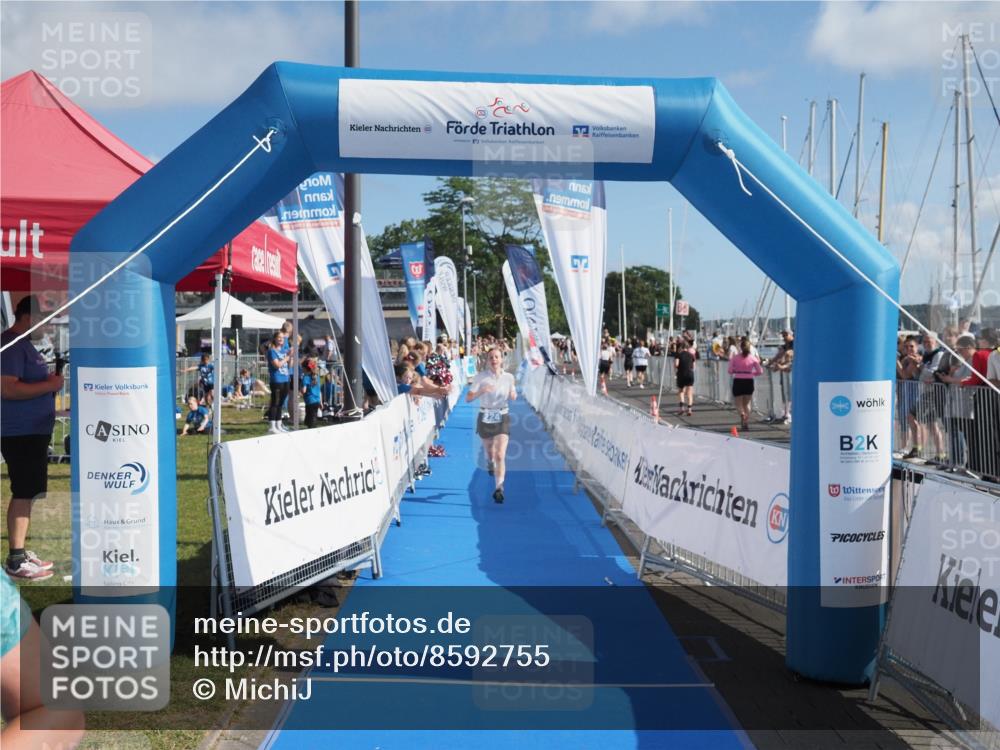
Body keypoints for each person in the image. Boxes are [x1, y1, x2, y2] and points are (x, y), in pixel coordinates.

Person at [1, 296, 62, 581]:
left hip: (32, 431)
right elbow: (8, 390)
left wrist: (47, 384)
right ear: (29, 317)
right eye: (44, 320)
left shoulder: (22, 345)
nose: (46, 326)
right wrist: (49, 384)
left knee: (29, 492)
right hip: (20, 432)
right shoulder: (11, 344)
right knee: (24, 492)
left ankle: (20, 552)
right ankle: (15, 559)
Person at [467, 348, 517, 504]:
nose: (494, 360)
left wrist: (513, 394)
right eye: (491, 357)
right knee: (490, 452)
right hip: (485, 415)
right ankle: (490, 462)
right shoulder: (480, 377)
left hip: (502, 415)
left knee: (500, 454)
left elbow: (513, 392)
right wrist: (481, 391)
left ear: (501, 359)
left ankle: (499, 488)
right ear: (487, 360)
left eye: (497, 357)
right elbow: (468, 399)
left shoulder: (509, 377)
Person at [728, 337, 763, 430]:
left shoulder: (735, 358)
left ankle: (742, 414)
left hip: (738, 380)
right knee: (747, 404)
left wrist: (737, 371)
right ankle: (746, 420)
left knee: (738, 403)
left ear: (740, 347)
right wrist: (752, 373)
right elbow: (760, 371)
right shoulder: (753, 358)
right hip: (749, 381)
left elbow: (730, 370)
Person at [266, 331, 291, 434]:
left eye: (282, 338)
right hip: (277, 380)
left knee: (280, 404)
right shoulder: (272, 351)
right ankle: (272, 426)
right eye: (279, 337)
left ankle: (278, 425)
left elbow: (288, 365)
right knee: (275, 403)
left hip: (285, 379)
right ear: (275, 339)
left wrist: (290, 356)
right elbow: (277, 365)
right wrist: (286, 358)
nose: (281, 339)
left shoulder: (284, 350)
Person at [674, 338, 696, 417]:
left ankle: (681, 408)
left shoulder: (678, 354)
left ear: (681, 347)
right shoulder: (691, 355)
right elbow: (693, 366)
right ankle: (689, 409)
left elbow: (676, 364)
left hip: (681, 374)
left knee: (681, 391)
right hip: (690, 374)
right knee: (690, 392)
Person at [300, 358, 323, 428]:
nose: (302, 369)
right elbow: (319, 391)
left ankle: (312, 429)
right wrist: (321, 402)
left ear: (305, 368)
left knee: (311, 419)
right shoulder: (317, 377)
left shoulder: (305, 377)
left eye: (302, 368)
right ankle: (311, 427)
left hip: (310, 401)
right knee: (312, 417)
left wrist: (300, 389)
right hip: (317, 401)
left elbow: (304, 390)